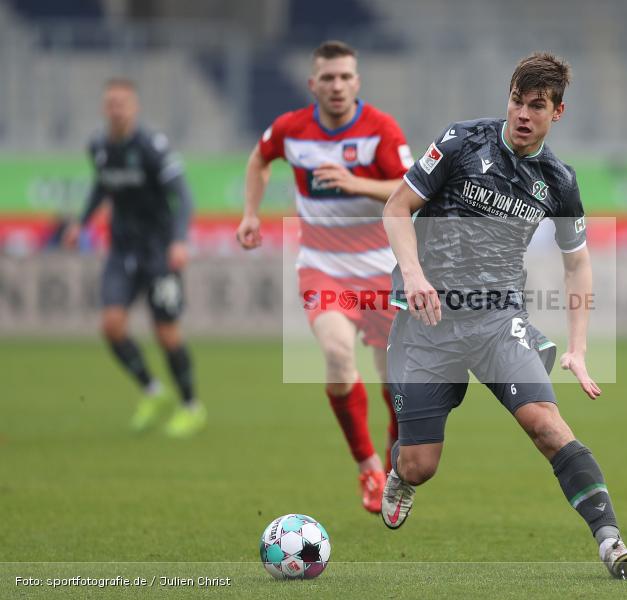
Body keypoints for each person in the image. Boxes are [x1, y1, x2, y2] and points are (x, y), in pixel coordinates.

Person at [380, 53, 627, 578]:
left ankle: (611, 541)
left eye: (537, 105)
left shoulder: (558, 181)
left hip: (499, 320)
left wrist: (578, 347)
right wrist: (413, 274)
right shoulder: (461, 142)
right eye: (517, 101)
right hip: (428, 323)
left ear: (557, 112)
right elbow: (395, 208)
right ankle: (401, 473)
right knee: (420, 464)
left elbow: (578, 264)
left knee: (546, 425)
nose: (523, 114)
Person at [236, 40, 413, 513]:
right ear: (313, 84)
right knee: (337, 357)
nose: (336, 86)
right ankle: (368, 467)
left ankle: (397, 469)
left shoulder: (380, 130)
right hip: (323, 267)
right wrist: (250, 214)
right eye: (327, 78)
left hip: (381, 271)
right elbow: (259, 159)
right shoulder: (291, 129)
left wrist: (357, 183)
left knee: (396, 383)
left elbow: (411, 189)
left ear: (357, 82)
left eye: (345, 77)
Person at [65, 78, 205, 438]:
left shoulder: (152, 147)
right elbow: (102, 185)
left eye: (123, 103)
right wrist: (81, 223)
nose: (117, 109)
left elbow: (183, 196)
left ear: (135, 107)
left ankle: (191, 406)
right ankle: (152, 392)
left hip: (159, 253)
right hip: (122, 250)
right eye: (111, 103)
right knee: (111, 325)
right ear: (103, 108)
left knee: (166, 333)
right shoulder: (98, 146)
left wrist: (179, 240)